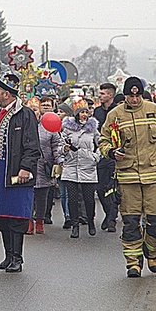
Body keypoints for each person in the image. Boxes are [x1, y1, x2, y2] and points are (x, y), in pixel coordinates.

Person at [99, 77, 156, 278]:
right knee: (131, 222)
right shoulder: (115, 115)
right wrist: (110, 152)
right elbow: (103, 140)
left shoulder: (154, 111)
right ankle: (133, 263)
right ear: (125, 95)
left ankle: (152, 253)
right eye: (130, 95)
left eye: (137, 95)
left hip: (152, 176)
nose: (134, 99)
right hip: (127, 177)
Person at [0, 73, 40, 273]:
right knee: (2, 217)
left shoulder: (25, 114)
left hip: (16, 173)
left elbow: (32, 146)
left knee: (17, 217)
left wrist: (26, 167)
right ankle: (8, 256)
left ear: (7, 94)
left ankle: (17, 258)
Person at [59, 98, 100, 238]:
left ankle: (91, 221)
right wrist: (64, 149)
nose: (84, 115)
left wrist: (95, 157)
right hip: (71, 167)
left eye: (86, 112)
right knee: (72, 199)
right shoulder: (67, 128)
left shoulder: (93, 129)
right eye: (81, 112)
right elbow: (60, 146)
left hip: (88, 167)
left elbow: (100, 145)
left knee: (89, 199)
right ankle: (75, 225)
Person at [92, 82, 119, 231]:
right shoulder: (97, 112)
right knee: (101, 188)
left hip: (115, 153)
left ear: (110, 95)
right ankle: (109, 213)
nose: (100, 96)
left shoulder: (118, 111)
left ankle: (111, 220)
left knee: (113, 187)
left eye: (103, 93)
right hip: (101, 154)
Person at [33, 96, 59, 234]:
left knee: (42, 196)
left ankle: (39, 221)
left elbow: (56, 145)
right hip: (29, 165)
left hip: (44, 165)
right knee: (28, 196)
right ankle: (28, 221)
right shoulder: (27, 125)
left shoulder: (50, 126)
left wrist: (58, 161)